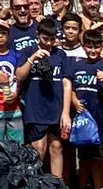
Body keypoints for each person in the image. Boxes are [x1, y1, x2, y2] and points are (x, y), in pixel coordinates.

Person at [60, 24, 103, 188]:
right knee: (84, 160)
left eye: (96, 47)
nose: (92, 50)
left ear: (102, 46)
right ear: (84, 46)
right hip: (84, 124)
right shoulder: (77, 65)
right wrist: (75, 101)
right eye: (89, 47)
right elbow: (70, 87)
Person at [17, 20, 68, 177]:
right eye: (45, 39)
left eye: (52, 39)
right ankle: (35, 186)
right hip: (36, 109)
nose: (48, 43)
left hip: (55, 108)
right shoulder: (28, 51)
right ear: (38, 35)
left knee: (56, 147)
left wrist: (65, 112)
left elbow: (66, 83)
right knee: (38, 148)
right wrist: (32, 59)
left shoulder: (60, 55)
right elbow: (19, 75)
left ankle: (57, 187)